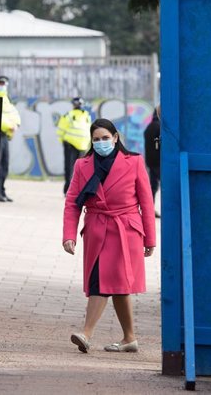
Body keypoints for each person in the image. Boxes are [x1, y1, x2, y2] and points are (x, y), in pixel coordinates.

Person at [62, 118, 156, 354]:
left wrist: (150, 239)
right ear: (91, 142)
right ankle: (129, 338)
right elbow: (73, 203)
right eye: (96, 139)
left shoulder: (133, 161)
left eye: (106, 138)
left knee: (112, 283)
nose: (101, 142)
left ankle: (86, 333)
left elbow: (146, 201)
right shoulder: (82, 165)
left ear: (115, 138)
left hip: (126, 230)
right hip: (97, 228)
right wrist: (68, 235)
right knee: (110, 282)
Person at [0, 75, 21, 202]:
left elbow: (14, 113)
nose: (2, 85)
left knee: (4, 164)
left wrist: (16, 124)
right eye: (0, 83)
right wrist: (9, 126)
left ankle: (1, 190)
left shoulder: (6, 99)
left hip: (5, 135)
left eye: (4, 83)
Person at [57, 97, 91, 196]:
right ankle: (68, 190)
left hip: (82, 145)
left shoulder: (85, 116)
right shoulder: (70, 115)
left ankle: (76, 190)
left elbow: (60, 130)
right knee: (71, 169)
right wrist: (63, 141)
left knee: (76, 169)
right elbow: (61, 130)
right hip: (71, 144)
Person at [143, 105, 161, 218]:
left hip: (150, 161)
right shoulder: (159, 127)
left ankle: (150, 209)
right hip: (159, 162)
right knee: (163, 186)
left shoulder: (148, 127)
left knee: (153, 186)